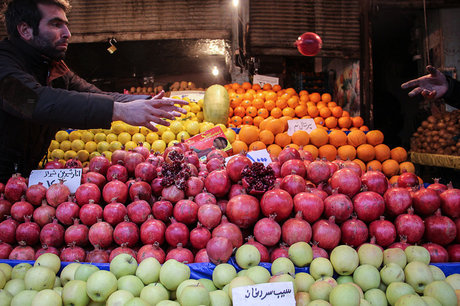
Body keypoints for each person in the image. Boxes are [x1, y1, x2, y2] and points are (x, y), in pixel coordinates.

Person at [0, 0, 188, 182]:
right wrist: (120, 110)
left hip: (21, 177)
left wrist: (149, 101)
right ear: (25, 30)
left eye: (66, 25)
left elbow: (93, 94)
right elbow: (33, 102)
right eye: (56, 24)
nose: (68, 33)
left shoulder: (52, 68)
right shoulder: (3, 65)